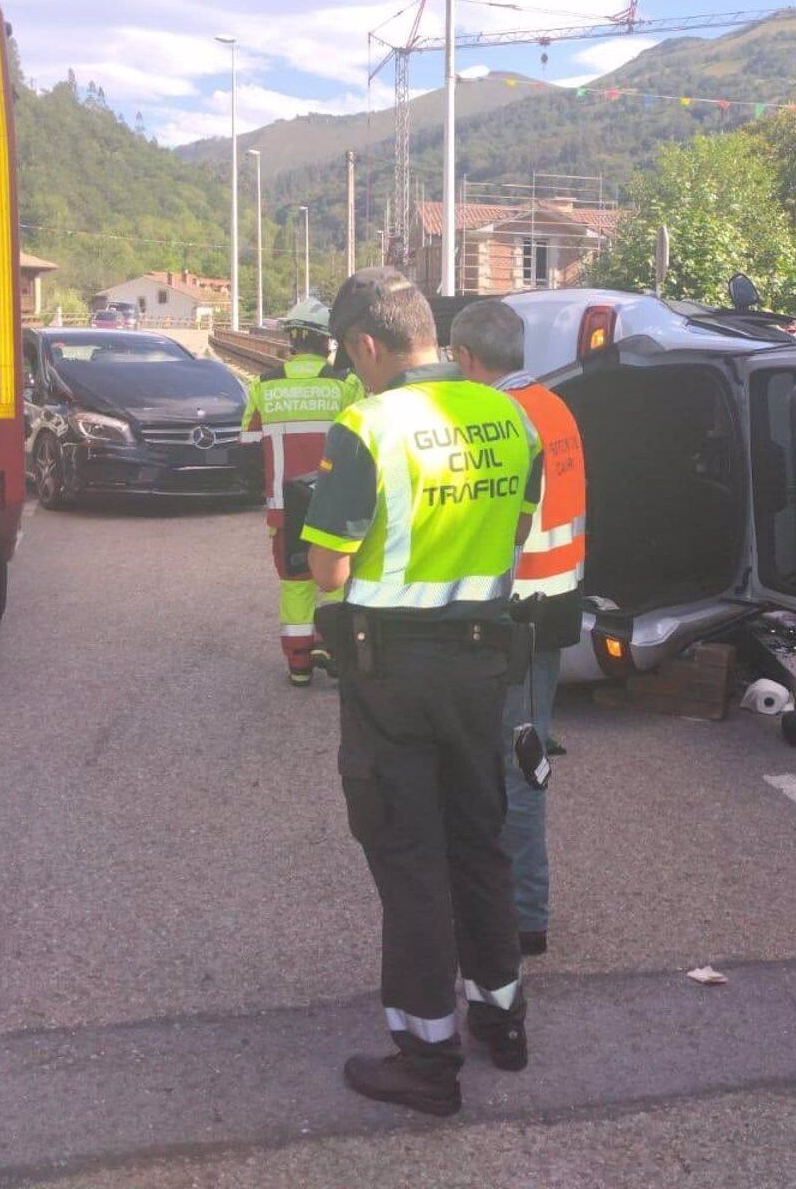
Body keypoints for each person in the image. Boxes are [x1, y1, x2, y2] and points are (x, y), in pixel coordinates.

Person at [301, 268, 540, 1117]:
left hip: (391, 670)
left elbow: (329, 566)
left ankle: (427, 1059)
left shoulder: (366, 425)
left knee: (409, 858)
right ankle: (502, 1023)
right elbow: (512, 535)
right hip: (481, 664)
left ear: (367, 345)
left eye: (348, 355)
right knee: (478, 841)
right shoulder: (513, 417)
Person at [449, 299, 585, 959]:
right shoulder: (556, 407)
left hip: (512, 615)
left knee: (512, 769)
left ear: (467, 359)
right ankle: (524, 912)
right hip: (554, 608)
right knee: (524, 762)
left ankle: (523, 917)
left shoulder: (497, 419)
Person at [245, 296, 363, 686]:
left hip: (283, 508)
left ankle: (298, 666)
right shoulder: (346, 385)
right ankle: (338, 657)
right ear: (328, 341)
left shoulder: (263, 386)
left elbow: (247, 444)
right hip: (334, 504)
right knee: (337, 582)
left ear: (292, 340)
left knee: (295, 584)